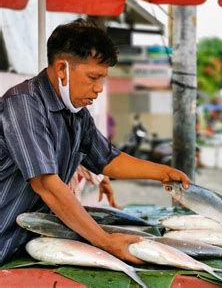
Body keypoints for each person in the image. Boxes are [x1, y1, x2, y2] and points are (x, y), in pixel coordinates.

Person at [0, 19, 190, 265]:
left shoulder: (77, 114)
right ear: (61, 69)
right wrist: (105, 241)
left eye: (103, 79)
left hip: (28, 244)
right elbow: (46, 184)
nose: (99, 88)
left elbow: (109, 160)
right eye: (92, 77)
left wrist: (162, 171)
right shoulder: (24, 105)